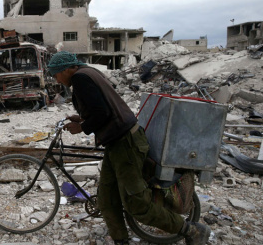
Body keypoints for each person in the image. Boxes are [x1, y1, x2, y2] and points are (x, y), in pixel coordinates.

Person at [47, 51, 211, 245]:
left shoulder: (80, 79)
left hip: (125, 143)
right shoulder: (89, 73)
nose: (55, 78)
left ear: (67, 69)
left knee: (137, 203)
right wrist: (82, 118)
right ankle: (121, 240)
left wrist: (82, 127)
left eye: (56, 74)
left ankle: (191, 230)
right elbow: (102, 107)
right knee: (107, 198)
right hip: (116, 143)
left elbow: (103, 112)